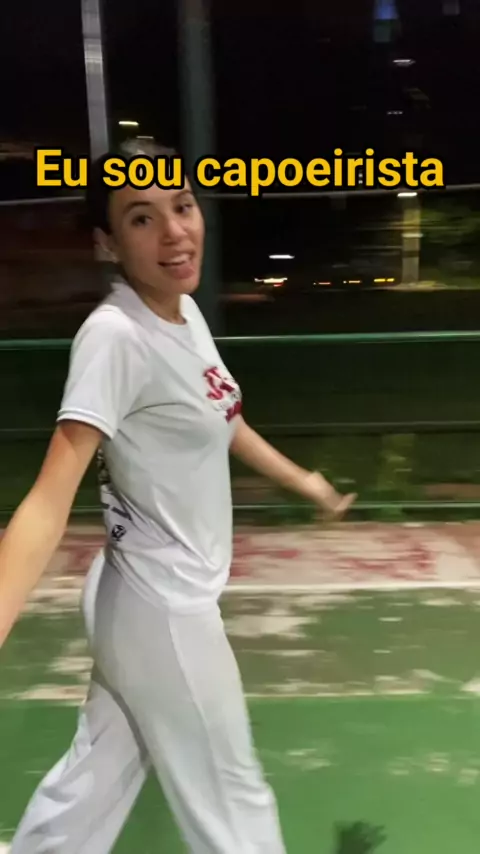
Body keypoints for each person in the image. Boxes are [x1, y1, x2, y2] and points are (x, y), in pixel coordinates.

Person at [0, 139, 356, 853]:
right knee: (233, 798)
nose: (173, 232)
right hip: (163, 608)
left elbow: (224, 417)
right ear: (106, 244)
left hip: (138, 598)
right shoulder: (115, 338)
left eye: (182, 206)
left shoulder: (181, 315)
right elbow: (49, 497)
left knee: (92, 787)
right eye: (141, 218)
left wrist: (304, 481)